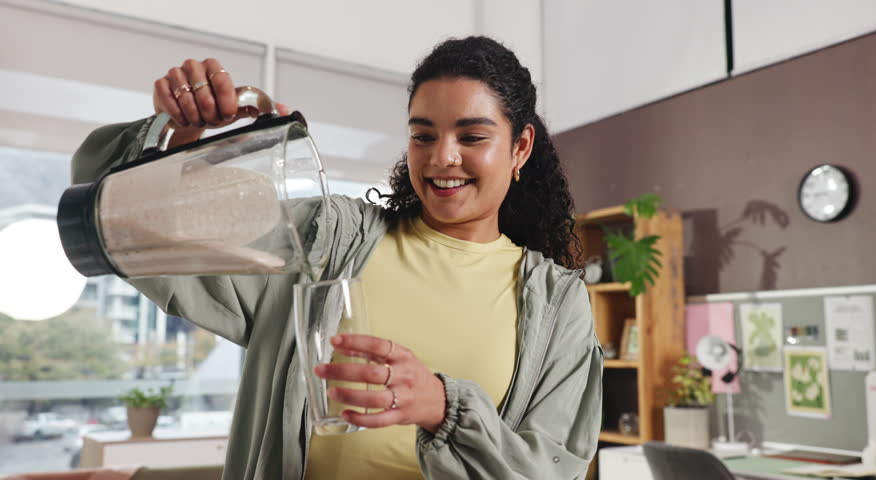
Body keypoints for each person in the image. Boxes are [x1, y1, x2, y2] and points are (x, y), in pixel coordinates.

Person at [71, 36, 603, 479]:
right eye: (423, 135)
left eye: (472, 136)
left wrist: (443, 407)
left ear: (520, 148)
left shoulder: (557, 304)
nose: (443, 156)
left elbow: (552, 472)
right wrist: (181, 134)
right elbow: (122, 217)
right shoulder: (326, 242)